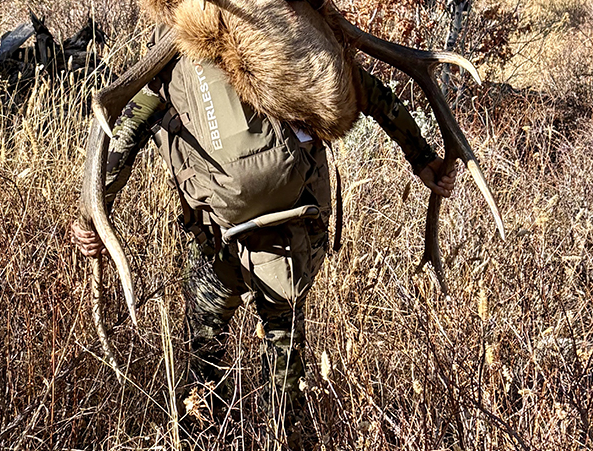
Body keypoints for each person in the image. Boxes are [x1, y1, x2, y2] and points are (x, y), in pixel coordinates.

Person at [72, 35, 457, 424]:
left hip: (216, 238)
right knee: (285, 345)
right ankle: (287, 442)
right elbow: (366, 89)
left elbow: (122, 136)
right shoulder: (281, 44)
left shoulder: (171, 64)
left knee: (205, 350)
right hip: (296, 228)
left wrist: (93, 220)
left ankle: (202, 439)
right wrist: (423, 160)